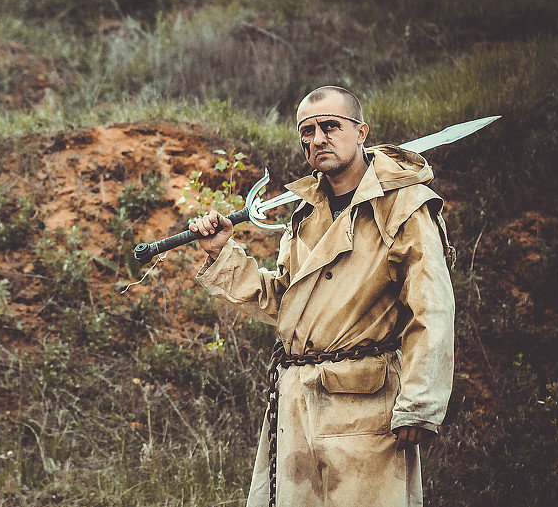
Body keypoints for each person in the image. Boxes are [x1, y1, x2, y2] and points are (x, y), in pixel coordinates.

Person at [189, 86, 455, 506]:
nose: (317, 139)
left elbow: (431, 306)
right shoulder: (307, 212)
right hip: (297, 405)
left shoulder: (404, 206)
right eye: (307, 132)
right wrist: (222, 253)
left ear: (361, 131)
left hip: (365, 406)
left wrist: (420, 403)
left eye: (330, 126)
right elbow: (285, 301)